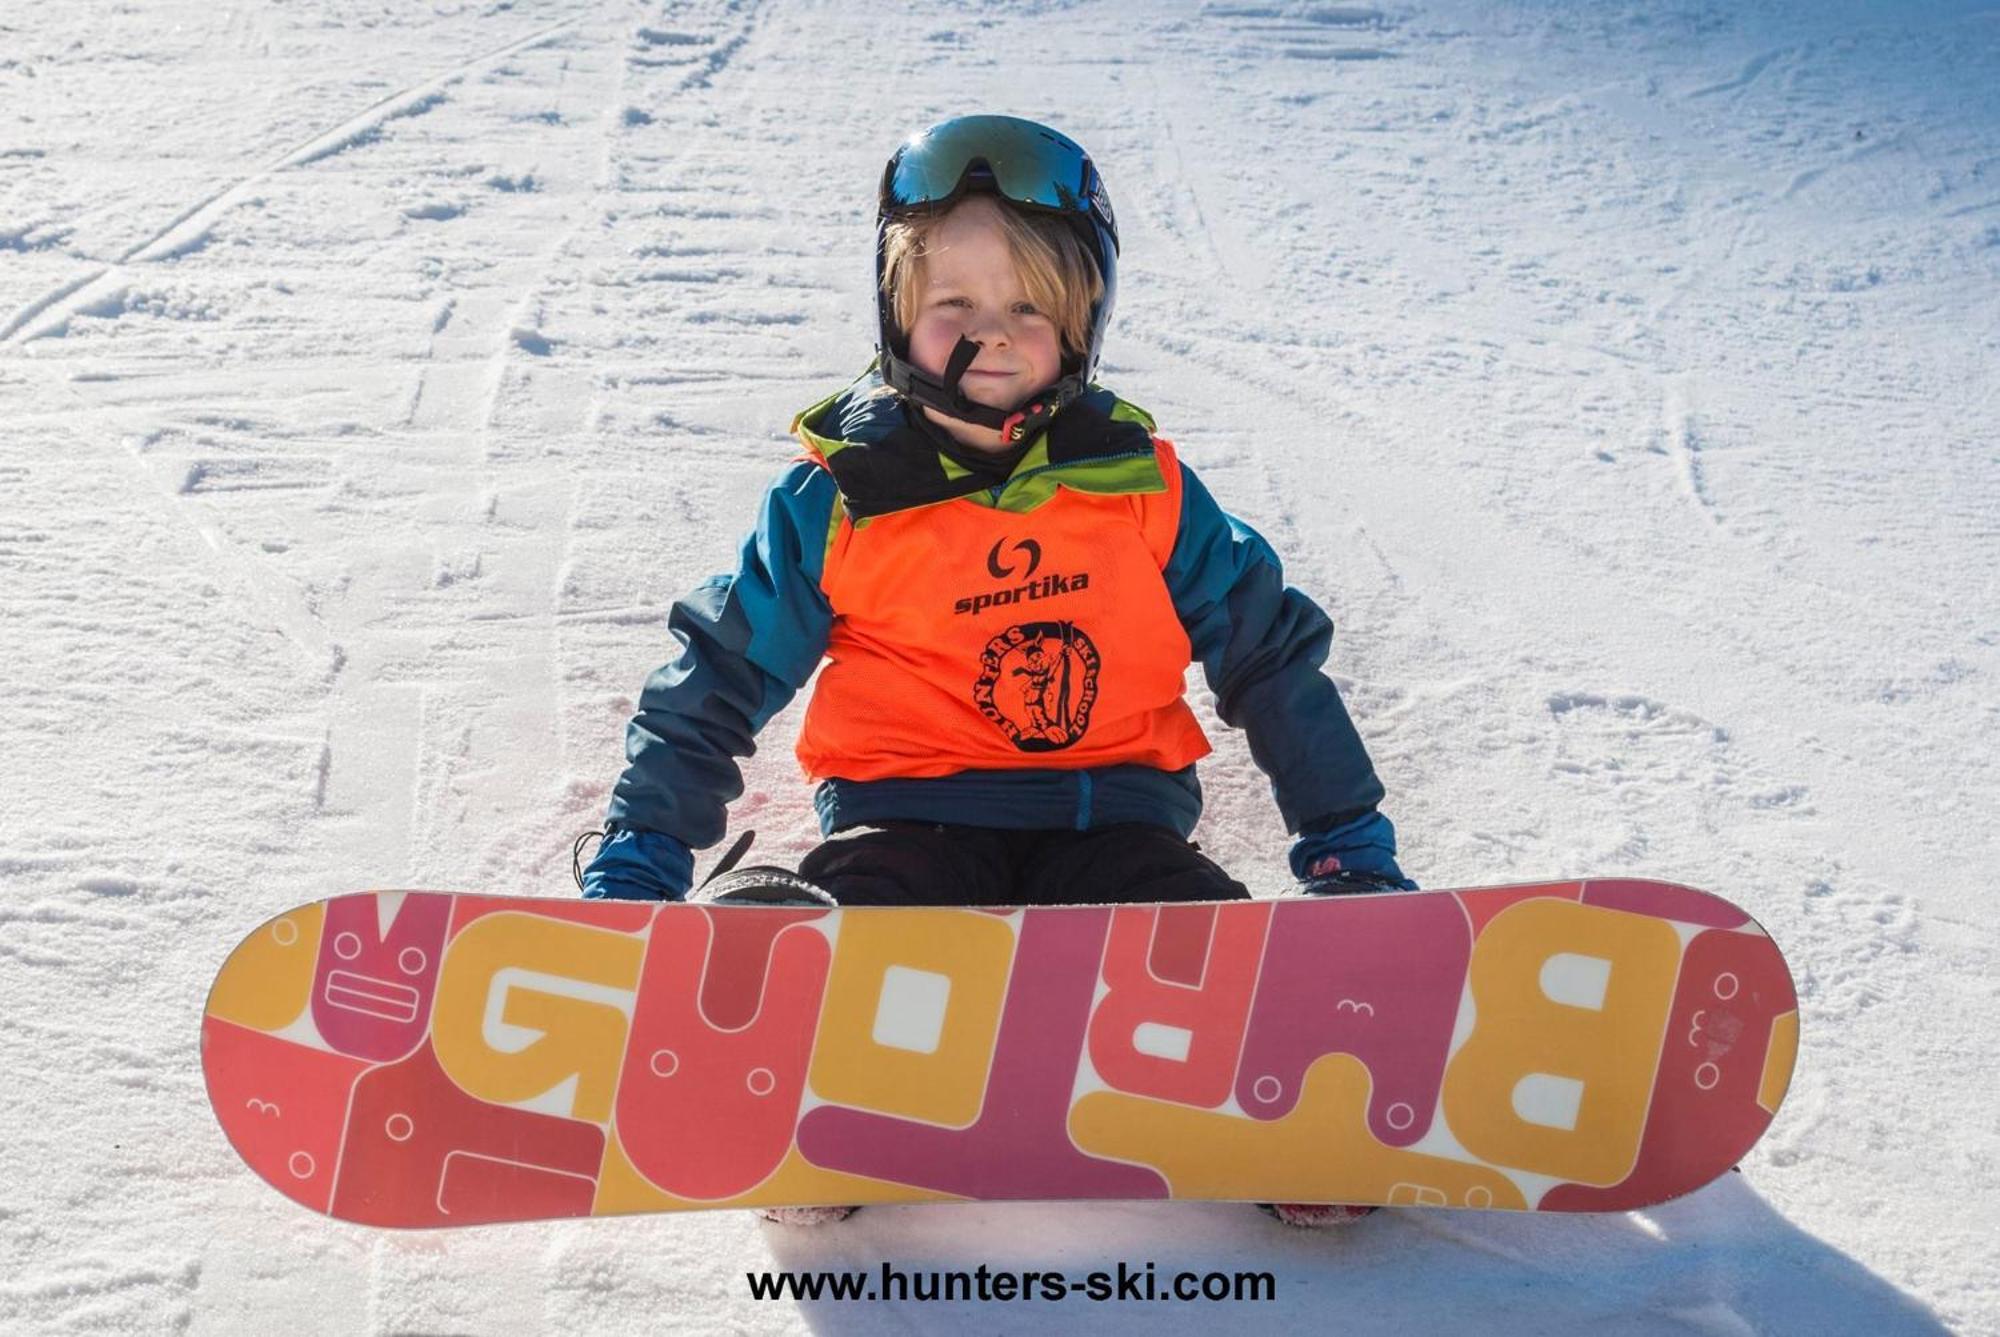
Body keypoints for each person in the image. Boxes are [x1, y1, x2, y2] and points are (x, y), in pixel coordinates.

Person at [582, 115, 1414, 1229]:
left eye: (1027, 304)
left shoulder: (1144, 490)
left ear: (1080, 321)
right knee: (850, 933)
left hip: (1112, 825)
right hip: (904, 825)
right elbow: (719, 674)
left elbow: (1269, 660)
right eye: (953, 305)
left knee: (1202, 948)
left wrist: (1346, 848)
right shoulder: (841, 498)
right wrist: (644, 853)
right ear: (897, 318)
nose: (993, 333)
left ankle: (1298, 1121)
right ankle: (796, 1112)